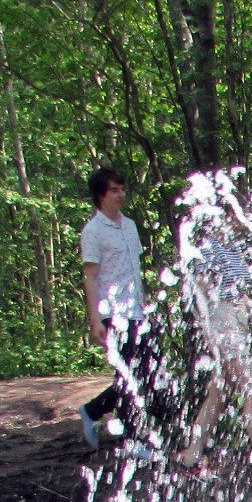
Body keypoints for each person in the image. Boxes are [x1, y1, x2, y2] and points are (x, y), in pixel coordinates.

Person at [174, 218, 252, 486]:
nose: (243, 225)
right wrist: (211, 336)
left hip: (235, 320)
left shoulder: (234, 249)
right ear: (224, 216)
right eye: (239, 219)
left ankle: (191, 457)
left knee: (217, 395)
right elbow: (203, 292)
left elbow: (239, 294)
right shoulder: (208, 247)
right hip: (221, 322)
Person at [77, 166, 168, 453]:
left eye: (122, 189)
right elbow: (90, 276)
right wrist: (95, 320)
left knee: (151, 373)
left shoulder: (129, 226)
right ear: (101, 195)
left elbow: (135, 271)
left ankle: (93, 410)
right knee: (130, 375)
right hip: (113, 312)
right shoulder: (93, 232)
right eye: (114, 190)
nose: (121, 195)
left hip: (137, 311)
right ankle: (131, 438)